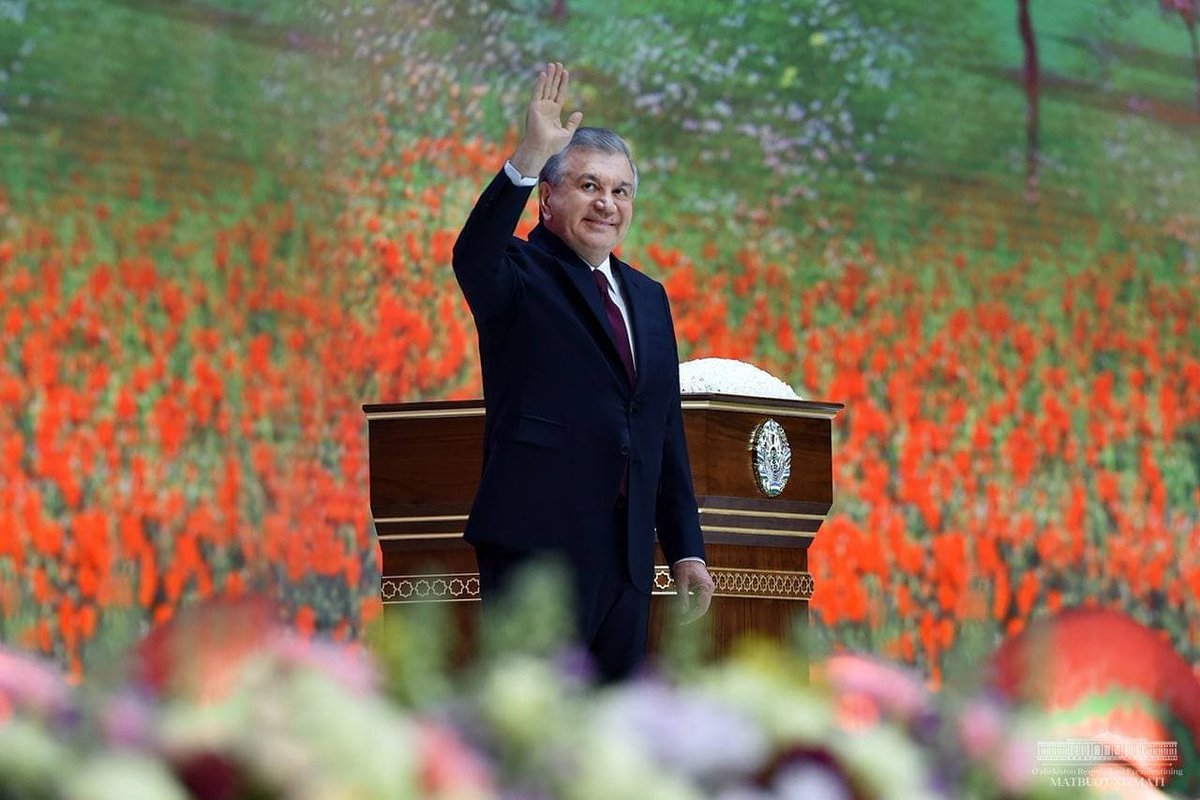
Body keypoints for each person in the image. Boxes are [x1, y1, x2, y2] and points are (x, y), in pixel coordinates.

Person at [452, 62, 714, 681]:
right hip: (538, 552)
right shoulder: (518, 272)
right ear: (547, 199)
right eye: (589, 185)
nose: (607, 204)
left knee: (612, 728)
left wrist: (686, 548)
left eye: (621, 191)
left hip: (627, 560)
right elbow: (473, 255)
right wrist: (529, 155)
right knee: (536, 724)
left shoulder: (648, 296)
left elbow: (662, 428)